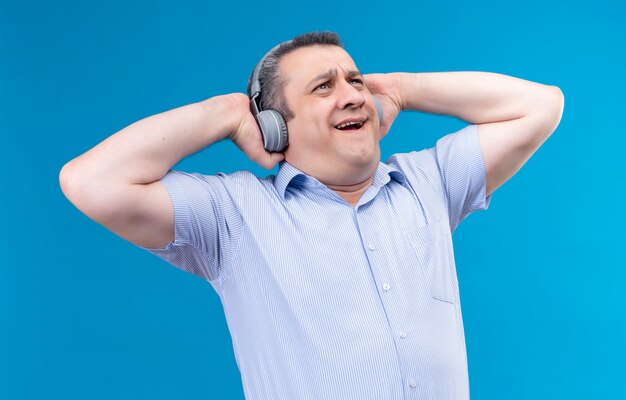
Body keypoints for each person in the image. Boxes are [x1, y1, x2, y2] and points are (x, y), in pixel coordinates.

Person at [60, 32, 564, 399]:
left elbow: (541, 105)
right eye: (324, 87)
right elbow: (89, 182)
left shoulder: (427, 183)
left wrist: (405, 89)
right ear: (275, 127)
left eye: (355, 81)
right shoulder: (232, 215)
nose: (352, 94)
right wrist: (224, 112)